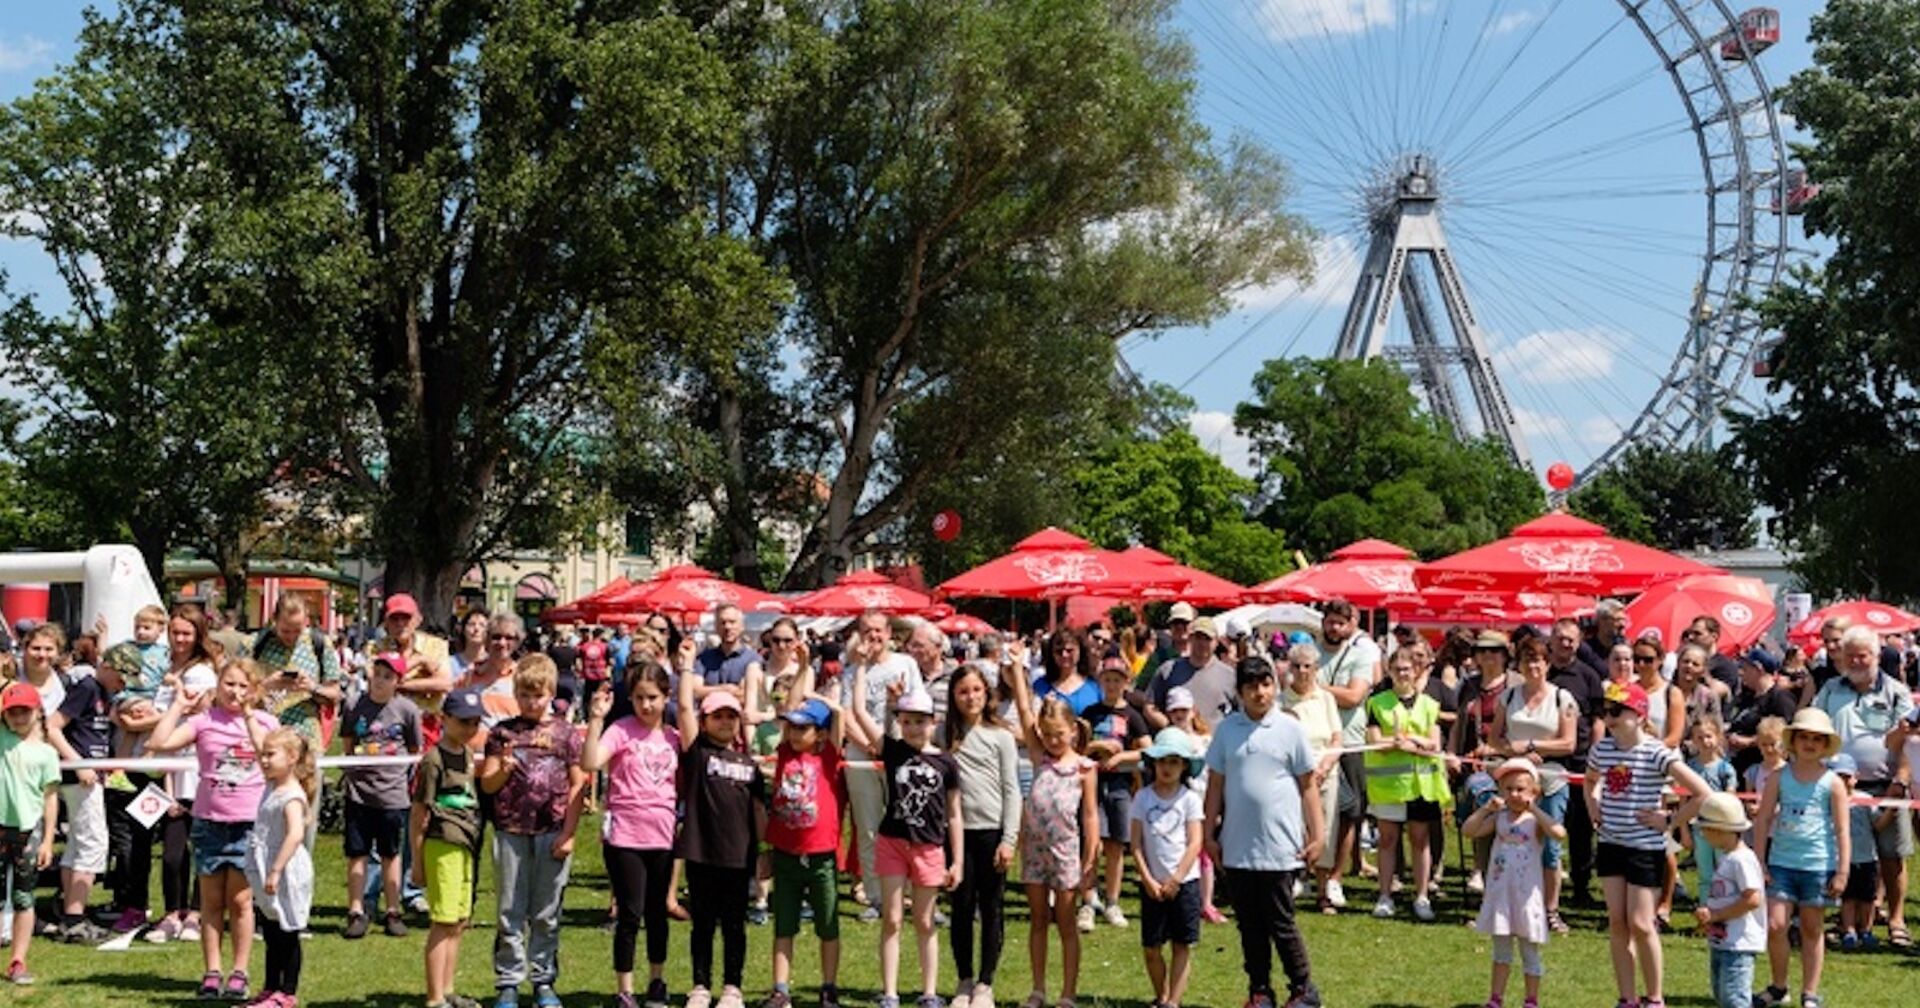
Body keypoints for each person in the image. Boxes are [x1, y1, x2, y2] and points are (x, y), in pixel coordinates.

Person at [148, 659, 282, 1000]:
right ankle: (211, 971)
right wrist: (178, 704)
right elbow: (159, 742)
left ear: (255, 690)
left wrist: (250, 715)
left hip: (248, 824)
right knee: (210, 902)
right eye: (229, 684)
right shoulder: (203, 721)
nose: (235, 692)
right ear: (218, 685)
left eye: (243, 686)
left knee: (240, 901)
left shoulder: (266, 721)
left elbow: (270, 758)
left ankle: (239, 971)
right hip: (209, 822)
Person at [1203, 656, 1324, 1008]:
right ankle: (1260, 990)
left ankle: (1303, 989)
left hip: (1280, 848)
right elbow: (1215, 786)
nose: (1260, 692)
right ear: (1240, 691)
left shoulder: (1290, 729)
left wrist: (1317, 834)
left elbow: (1308, 786)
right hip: (1238, 846)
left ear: (1275, 685)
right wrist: (1209, 833)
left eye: (1266, 684)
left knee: (1281, 922)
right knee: (1250, 926)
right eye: (1252, 686)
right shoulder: (1227, 730)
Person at [1585, 680, 1713, 1008]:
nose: (1609, 718)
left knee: (1642, 924)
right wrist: (1593, 808)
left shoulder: (1656, 751)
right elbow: (1589, 781)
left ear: (1640, 715)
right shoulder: (1602, 749)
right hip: (1612, 843)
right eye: (1606, 711)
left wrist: (1670, 821)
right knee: (1617, 921)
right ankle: (1627, 998)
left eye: (1617, 711)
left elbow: (1701, 793)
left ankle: (1655, 999)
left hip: (1644, 847)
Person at [480, 655, 588, 1008]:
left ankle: (543, 979)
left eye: (538, 695)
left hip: (551, 830)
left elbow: (578, 784)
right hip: (511, 829)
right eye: (524, 695)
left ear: (551, 693)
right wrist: (505, 769)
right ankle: (508, 981)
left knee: (546, 911)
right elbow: (489, 783)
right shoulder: (502, 733)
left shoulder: (566, 734)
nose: (531, 702)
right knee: (510, 909)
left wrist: (569, 833)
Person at [849, 685, 961, 1008]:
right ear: (899, 723)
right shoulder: (894, 751)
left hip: (929, 847)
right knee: (892, 919)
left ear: (934, 722)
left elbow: (954, 815)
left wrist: (958, 862)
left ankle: (929, 992)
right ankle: (890, 993)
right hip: (893, 842)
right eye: (907, 721)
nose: (913, 728)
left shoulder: (947, 763)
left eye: (920, 721)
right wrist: (859, 669)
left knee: (925, 921)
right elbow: (858, 713)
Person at [1810, 624, 1914, 950]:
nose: (1855, 661)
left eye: (1862, 655)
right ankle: (1847, 922)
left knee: (1891, 855)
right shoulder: (1829, 689)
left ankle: (1896, 920)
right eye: (1850, 655)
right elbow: (1814, 726)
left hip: (1887, 785)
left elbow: (1911, 739)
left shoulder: (1896, 692)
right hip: (1838, 787)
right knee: (1845, 855)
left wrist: (1901, 781)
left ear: (1876, 656)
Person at [583, 664, 681, 1008]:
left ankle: (657, 981)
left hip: (663, 835)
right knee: (630, 913)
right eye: (639, 698)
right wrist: (596, 719)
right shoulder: (620, 730)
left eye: (653, 698)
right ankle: (625, 989)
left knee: (657, 912)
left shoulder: (674, 737)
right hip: (625, 834)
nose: (646, 705)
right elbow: (592, 761)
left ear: (666, 697)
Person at [1002, 662, 1096, 1008]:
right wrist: (1016, 672)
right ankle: (1038, 988)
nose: (1053, 740)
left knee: (1066, 922)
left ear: (1073, 730)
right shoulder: (1039, 755)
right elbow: (1025, 710)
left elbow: (1089, 817)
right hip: (1035, 852)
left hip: (1066, 850)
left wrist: (1091, 856)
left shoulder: (1084, 768)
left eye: (1059, 734)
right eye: (1047, 734)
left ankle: (1068, 992)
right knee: (1038, 919)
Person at [1751, 707, 1849, 1008]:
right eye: (1803, 737)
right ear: (1793, 741)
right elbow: (1763, 819)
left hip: (1819, 865)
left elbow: (1843, 830)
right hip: (1781, 862)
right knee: (1776, 925)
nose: (1809, 743)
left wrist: (1842, 871)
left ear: (1825, 745)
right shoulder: (1779, 777)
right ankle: (1779, 986)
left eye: (1817, 739)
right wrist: (1760, 863)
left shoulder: (1833, 782)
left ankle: (1810, 992)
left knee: (1811, 928)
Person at [674, 689, 766, 1008]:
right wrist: (686, 666)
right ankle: (700, 986)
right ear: (705, 722)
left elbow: (758, 811)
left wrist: (764, 852)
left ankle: (732, 987)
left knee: (733, 925)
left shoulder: (749, 764)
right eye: (718, 716)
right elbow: (684, 707)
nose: (725, 722)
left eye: (731, 716)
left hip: (739, 857)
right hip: (702, 853)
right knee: (702, 923)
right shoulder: (698, 754)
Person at [762, 697, 853, 1008]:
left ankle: (829, 987)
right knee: (784, 925)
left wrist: (822, 699)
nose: (795, 734)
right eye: (792, 727)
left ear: (822, 734)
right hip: (786, 855)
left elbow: (840, 714)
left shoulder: (829, 757)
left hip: (821, 856)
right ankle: (780, 989)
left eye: (804, 728)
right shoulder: (785, 752)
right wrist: (802, 671)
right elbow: (789, 703)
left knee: (827, 926)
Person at [1488, 637, 1579, 932]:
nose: (1533, 665)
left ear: (1547, 664)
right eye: (1527, 660)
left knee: (1550, 846)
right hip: (1516, 779)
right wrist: (1513, 751)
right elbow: (1495, 739)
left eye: (1538, 659)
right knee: (1512, 840)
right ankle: (1511, 902)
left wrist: (1532, 745)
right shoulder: (1509, 697)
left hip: (1550, 780)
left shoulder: (1561, 698)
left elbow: (1568, 743)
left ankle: (1551, 910)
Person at [944, 665, 1020, 1008]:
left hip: (992, 833)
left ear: (986, 693)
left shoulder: (1001, 736)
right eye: (963, 691)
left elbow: (1011, 790)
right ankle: (964, 979)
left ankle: (985, 983)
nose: (970, 697)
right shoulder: (944, 736)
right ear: (953, 696)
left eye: (976, 690)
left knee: (991, 907)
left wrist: (1009, 838)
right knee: (960, 908)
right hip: (956, 836)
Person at [1462, 758, 1563, 1008]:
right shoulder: (1500, 818)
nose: (1514, 794)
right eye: (1508, 789)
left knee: (1529, 951)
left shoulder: (1535, 821)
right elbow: (1469, 830)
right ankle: (1496, 997)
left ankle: (1531, 999)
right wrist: (1486, 809)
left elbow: (1559, 833)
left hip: (1526, 894)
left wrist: (1536, 810)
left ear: (1533, 792)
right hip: (1501, 893)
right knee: (1501, 952)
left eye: (1520, 789)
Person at [841, 610, 921, 913]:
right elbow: (847, 714)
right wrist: (871, 746)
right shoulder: (851, 672)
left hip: (900, 753)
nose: (873, 637)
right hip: (862, 754)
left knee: (906, 821)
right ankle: (876, 896)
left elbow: (917, 708)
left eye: (878, 631)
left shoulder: (906, 665)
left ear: (889, 633)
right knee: (868, 824)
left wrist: (887, 746)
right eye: (867, 631)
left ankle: (912, 890)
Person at [339, 654, 424, 939]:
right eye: (377, 674)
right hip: (359, 793)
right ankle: (356, 910)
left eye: (388, 677)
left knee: (391, 854)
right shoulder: (354, 705)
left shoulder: (407, 710)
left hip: (393, 796)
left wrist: (404, 781)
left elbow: (414, 749)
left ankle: (393, 909)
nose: (380, 681)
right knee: (357, 854)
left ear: (397, 682)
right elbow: (348, 743)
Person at [1363, 649, 1451, 920]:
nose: (1403, 673)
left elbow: (1434, 743)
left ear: (1417, 672)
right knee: (1388, 840)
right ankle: (1385, 895)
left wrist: (1410, 741)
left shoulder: (1429, 704)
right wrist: (1403, 743)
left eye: (1407, 669)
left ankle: (1422, 896)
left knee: (1420, 840)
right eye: (1397, 669)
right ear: (1389, 672)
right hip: (1390, 785)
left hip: (1421, 785)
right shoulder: (1377, 703)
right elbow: (1375, 740)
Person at [46, 636, 122, 944]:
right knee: (93, 844)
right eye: (121, 675)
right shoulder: (88, 687)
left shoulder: (103, 691)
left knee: (79, 844)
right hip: (80, 778)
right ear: (107, 667)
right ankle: (75, 918)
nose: (123, 683)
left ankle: (70, 913)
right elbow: (52, 726)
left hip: (91, 776)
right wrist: (78, 763)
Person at [413, 688, 487, 1008]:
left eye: (475, 722)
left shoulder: (469, 755)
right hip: (442, 843)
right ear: (445, 720)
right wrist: (417, 862)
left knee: (458, 920)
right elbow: (419, 814)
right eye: (463, 722)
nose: (470, 728)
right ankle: (434, 997)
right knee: (442, 921)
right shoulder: (433, 760)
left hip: (466, 842)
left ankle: (448, 989)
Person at [1129, 727, 1205, 1008]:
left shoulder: (1189, 799)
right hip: (1152, 882)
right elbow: (1135, 844)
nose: (1167, 767)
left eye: (1174, 761)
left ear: (1184, 765)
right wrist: (1147, 879)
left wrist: (1177, 879)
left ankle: (1173, 1000)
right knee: (1151, 947)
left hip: (1184, 882)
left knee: (1182, 944)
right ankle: (1160, 994)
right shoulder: (1142, 798)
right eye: (1162, 761)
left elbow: (1195, 842)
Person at [242, 724, 316, 1008]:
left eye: (271, 755)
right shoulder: (272, 786)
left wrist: (276, 869)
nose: (264, 760)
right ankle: (270, 986)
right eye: (262, 754)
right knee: (271, 930)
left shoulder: (291, 796)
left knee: (287, 930)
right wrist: (249, 714)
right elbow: (260, 738)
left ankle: (287, 992)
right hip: (267, 866)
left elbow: (296, 833)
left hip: (285, 870)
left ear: (292, 757)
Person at [1080, 655, 1149, 931]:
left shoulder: (1132, 715)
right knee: (1091, 843)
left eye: (1117, 680)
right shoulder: (1090, 712)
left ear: (1126, 683)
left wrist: (1121, 758)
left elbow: (1147, 749)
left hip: (1120, 785)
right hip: (1091, 783)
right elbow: (1076, 746)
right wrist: (1098, 746)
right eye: (1107, 680)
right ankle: (1087, 900)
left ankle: (1112, 900)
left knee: (1116, 845)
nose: (1111, 685)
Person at [1314, 601, 1378, 897]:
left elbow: (1354, 696)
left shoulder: (1360, 654)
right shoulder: (1310, 652)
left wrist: (1314, 688)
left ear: (1350, 624)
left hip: (1351, 743)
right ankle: (1312, 872)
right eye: (1330, 622)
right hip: (1313, 742)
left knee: (1349, 813)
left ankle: (1336, 877)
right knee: (1311, 810)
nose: (1335, 628)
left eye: (1341, 622)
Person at [0, 682, 60, 986]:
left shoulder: (47, 754)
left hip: (28, 832)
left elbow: (50, 798)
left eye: (24, 711)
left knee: (23, 897)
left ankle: (18, 960)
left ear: (37, 712)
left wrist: (49, 839)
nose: (18, 717)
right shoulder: (1, 739)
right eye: (12, 712)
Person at [1453, 630, 1514, 894]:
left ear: (1504, 655)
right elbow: (1458, 722)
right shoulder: (1468, 684)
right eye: (1482, 651)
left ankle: (1493, 871)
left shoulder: (1516, 684)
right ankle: (1482, 868)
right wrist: (1452, 754)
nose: (1487, 656)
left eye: (1494, 650)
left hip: (1508, 762)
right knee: (1481, 799)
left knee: (1488, 799)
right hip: (1472, 761)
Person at [1692, 792, 1766, 1008]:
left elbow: (1752, 899)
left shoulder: (1742, 860)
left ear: (1720, 830)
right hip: (1724, 940)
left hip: (1739, 943)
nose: (1703, 835)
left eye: (1705, 830)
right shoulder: (1728, 857)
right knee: (1722, 996)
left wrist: (1716, 915)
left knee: (1735, 999)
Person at [1827, 754, 1883, 951]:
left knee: (1868, 898)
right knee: (1848, 898)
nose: (1842, 781)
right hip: (1842, 859)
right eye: (1837, 777)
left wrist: (1893, 811)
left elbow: (1878, 824)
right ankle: (1849, 930)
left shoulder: (1866, 799)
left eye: (1846, 776)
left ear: (1856, 776)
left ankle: (1866, 930)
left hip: (1867, 856)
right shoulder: (1828, 799)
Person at [1682, 719, 1738, 912]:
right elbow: (1684, 800)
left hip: (1722, 828)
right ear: (1693, 741)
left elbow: (1731, 798)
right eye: (1700, 737)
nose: (1705, 741)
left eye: (1709, 736)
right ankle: (1705, 910)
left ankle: (1725, 910)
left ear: (1718, 738)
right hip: (1699, 828)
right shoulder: (1689, 768)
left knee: (1725, 871)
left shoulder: (1726, 769)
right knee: (1705, 873)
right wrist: (1684, 830)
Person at [1144, 617, 1233, 732]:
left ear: (1216, 642)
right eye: (1198, 638)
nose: (1202, 643)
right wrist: (1171, 729)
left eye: (1207, 639)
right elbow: (1149, 706)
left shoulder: (1229, 675)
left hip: (1215, 744)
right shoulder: (1168, 670)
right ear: (1190, 639)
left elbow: (1242, 711)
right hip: (1178, 745)